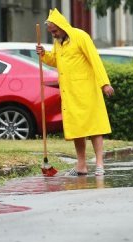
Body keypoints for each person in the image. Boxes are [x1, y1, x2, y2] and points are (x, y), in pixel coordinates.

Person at [36, 9, 115, 177]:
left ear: (63, 26)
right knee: (77, 130)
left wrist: (105, 83)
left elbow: (95, 60)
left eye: (55, 31)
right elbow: (57, 61)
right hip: (70, 93)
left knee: (94, 127)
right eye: (51, 32)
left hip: (87, 91)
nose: (54, 35)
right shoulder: (59, 42)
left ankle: (100, 164)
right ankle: (81, 166)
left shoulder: (81, 37)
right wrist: (44, 55)